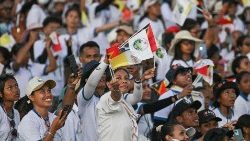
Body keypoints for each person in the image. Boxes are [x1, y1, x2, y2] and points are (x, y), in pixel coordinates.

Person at [96, 67, 154, 141]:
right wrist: (115, 89)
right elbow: (115, 98)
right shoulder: (106, 98)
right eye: (118, 78)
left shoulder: (124, 100)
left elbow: (137, 97)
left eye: (126, 78)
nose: (124, 81)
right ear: (108, 84)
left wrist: (138, 78)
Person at [18, 74, 81, 141]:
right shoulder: (28, 121)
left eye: (49, 90)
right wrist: (53, 129)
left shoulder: (52, 117)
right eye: (42, 91)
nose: (48, 94)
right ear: (31, 97)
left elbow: (66, 108)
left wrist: (72, 86)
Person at [0, 74, 20, 141]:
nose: (16, 90)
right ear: (0, 93)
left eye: (16, 85)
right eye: (10, 88)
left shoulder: (16, 113)